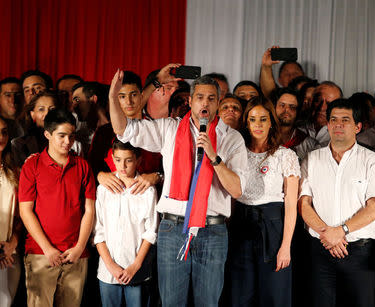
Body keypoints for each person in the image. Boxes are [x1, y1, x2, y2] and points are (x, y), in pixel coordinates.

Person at [109, 66, 247, 306]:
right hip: (174, 228)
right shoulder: (169, 128)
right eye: (200, 97)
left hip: (212, 230)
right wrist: (113, 98)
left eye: (211, 98)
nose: (205, 103)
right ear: (191, 101)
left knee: (208, 302)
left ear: (218, 102)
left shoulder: (232, 138)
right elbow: (124, 130)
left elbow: (236, 190)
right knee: (171, 301)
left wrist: (214, 158)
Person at [300, 99, 375, 307]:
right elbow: (304, 204)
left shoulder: (373, 161)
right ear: (327, 125)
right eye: (333, 120)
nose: (338, 125)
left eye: (345, 120)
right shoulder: (311, 159)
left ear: (358, 127)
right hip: (320, 251)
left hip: (359, 253)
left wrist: (341, 230)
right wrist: (327, 234)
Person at [19, 108, 96, 307]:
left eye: (71, 136)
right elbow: (25, 210)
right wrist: (48, 249)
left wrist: (79, 247)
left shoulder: (82, 166)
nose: (67, 142)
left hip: (75, 254)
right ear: (47, 134)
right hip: (40, 253)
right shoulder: (32, 165)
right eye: (61, 136)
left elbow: (90, 210)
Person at [229, 97, 300, 306]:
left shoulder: (285, 155)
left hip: (273, 229)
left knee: (274, 295)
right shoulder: (236, 154)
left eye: (262, 119)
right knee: (240, 295)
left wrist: (286, 246)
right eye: (252, 120)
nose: (257, 125)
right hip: (241, 227)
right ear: (246, 123)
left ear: (271, 122)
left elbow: (290, 206)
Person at [94, 140, 158, 307]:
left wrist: (135, 265)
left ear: (138, 161)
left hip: (137, 270)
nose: (122, 166)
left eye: (128, 160)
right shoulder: (103, 189)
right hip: (108, 272)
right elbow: (98, 231)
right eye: (117, 160)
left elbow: (151, 232)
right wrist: (110, 265)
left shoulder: (148, 191)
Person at [12, 91, 82, 167]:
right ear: (33, 114)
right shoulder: (19, 144)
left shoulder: (75, 145)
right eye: (41, 109)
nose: (47, 114)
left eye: (52, 109)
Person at [0, 116, 21, 307]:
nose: (1, 137)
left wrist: (11, 244)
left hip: (7, 252)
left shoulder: (14, 171)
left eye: (4, 132)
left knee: (6, 300)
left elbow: (20, 217)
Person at [270, 87, 319, 162]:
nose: (286, 110)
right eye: (282, 105)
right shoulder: (263, 138)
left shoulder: (308, 144)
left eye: (292, 107)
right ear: (274, 107)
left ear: (298, 111)